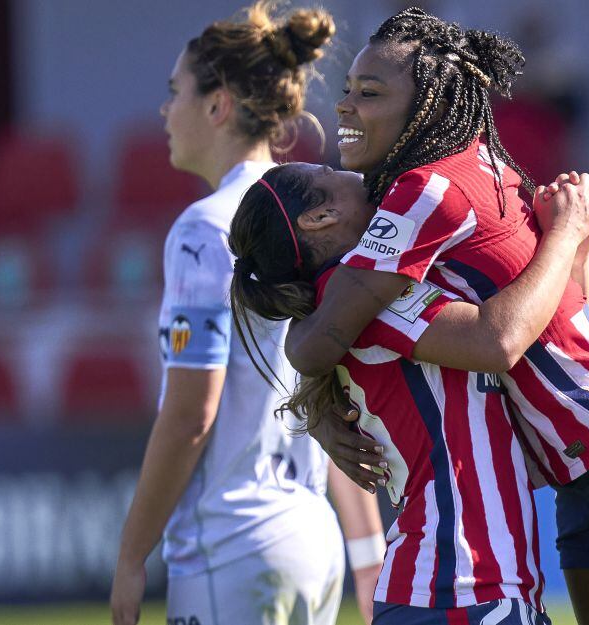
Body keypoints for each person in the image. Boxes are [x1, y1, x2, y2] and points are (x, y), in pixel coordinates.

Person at [282, 9, 589, 625]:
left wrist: (313, 389)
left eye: (369, 94)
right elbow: (566, 313)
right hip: (581, 460)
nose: (344, 109)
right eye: (346, 92)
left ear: (430, 107)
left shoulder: (422, 191)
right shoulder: (477, 168)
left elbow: (322, 340)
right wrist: (572, 243)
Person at [228, 161, 589, 623]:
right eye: (329, 171)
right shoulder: (367, 296)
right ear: (320, 217)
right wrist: (563, 235)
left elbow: (535, 363)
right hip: (459, 585)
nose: (354, 171)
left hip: (456, 587)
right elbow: (501, 339)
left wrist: (574, 253)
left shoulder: (349, 304)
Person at [109, 4, 383, 624]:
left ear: (217, 105)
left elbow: (190, 415)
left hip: (229, 546)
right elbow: (335, 389)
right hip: (313, 540)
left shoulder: (205, 229)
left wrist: (130, 556)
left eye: (175, 91)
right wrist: (367, 553)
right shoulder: (312, 207)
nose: (165, 110)